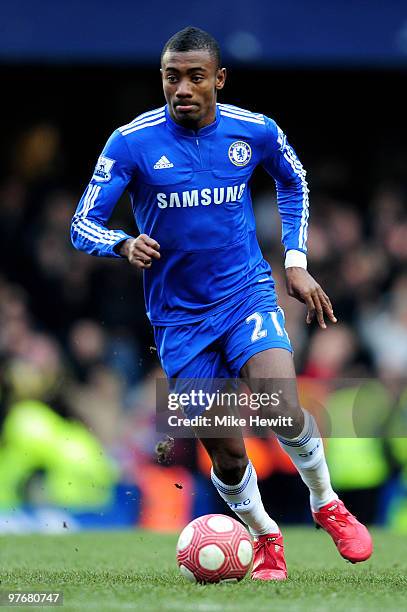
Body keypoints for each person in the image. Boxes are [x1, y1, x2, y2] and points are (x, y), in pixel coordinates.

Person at [71, 26, 372, 580]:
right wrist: (121, 241)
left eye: (194, 76)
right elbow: (81, 222)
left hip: (245, 293)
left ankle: (327, 502)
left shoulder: (253, 131)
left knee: (279, 404)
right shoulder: (130, 142)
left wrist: (297, 261)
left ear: (219, 79)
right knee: (228, 454)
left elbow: (294, 181)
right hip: (180, 322)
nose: (182, 88)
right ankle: (265, 537)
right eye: (171, 77)